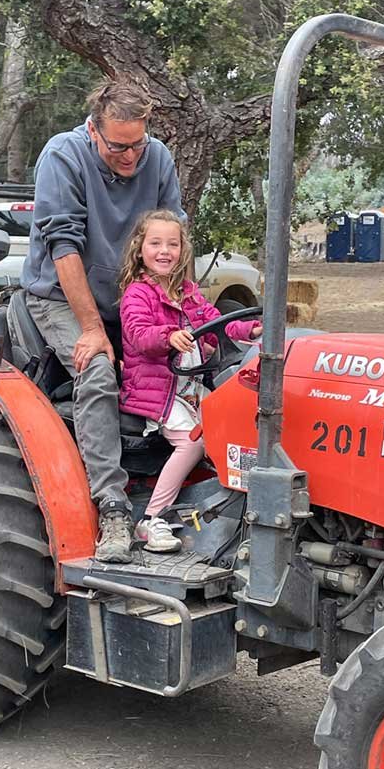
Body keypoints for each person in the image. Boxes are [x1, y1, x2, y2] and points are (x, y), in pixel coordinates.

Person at [11, 79, 184, 564]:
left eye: (138, 144)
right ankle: (111, 505)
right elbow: (62, 245)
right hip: (63, 298)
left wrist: (179, 312)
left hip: (129, 297)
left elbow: (171, 238)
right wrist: (92, 328)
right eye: (118, 147)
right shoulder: (63, 155)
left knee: (194, 362)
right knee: (99, 370)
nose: (130, 157)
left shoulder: (158, 159)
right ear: (93, 131)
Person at [119, 211, 262, 552]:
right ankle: (151, 520)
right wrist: (168, 337)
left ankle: (235, 513)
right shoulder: (137, 294)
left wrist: (250, 329)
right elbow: (140, 335)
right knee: (193, 442)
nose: (164, 251)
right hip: (156, 392)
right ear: (141, 249)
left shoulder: (189, 293)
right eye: (155, 243)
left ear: (183, 250)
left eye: (173, 243)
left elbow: (218, 322)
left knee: (238, 426)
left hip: (190, 388)